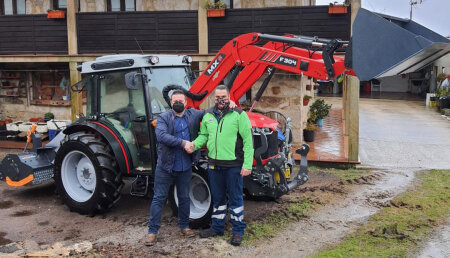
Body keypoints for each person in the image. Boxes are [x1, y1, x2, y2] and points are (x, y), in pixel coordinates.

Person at [191, 85, 254, 246]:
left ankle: (238, 231)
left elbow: (248, 141)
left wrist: (247, 165)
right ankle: (217, 228)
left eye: (223, 97)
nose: (220, 101)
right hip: (214, 165)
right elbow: (203, 136)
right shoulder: (208, 115)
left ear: (229, 97)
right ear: (214, 98)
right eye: (217, 97)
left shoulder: (239, 115)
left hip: (233, 166)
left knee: (235, 199)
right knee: (218, 199)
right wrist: (193, 145)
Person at [145, 90, 202, 246]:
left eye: (180, 101)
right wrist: (183, 143)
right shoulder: (164, 118)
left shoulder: (192, 115)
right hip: (166, 167)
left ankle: (184, 226)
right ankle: (152, 231)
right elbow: (162, 136)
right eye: (174, 100)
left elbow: (208, 113)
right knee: (159, 198)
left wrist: (229, 105)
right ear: (170, 103)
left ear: (186, 103)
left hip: (184, 166)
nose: (177, 103)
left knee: (184, 197)